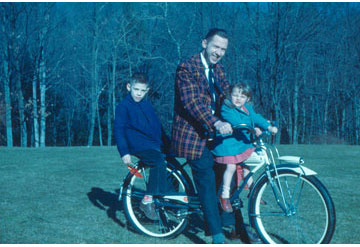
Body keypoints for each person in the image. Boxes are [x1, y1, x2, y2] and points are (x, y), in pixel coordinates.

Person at [171, 28, 233, 244]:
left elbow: (228, 97)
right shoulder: (187, 67)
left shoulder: (219, 69)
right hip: (192, 137)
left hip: (214, 135)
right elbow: (193, 103)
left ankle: (230, 226)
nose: (218, 52)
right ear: (204, 43)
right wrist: (216, 121)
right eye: (216, 46)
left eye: (223, 49)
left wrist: (248, 117)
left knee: (228, 171)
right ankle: (217, 235)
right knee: (206, 179)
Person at [212, 83, 278, 213]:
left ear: (247, 99)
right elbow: (235, 121)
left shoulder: (247, 108)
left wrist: (268, 127)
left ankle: (253, 192)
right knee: (230, 167)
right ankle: (224, 195)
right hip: (227, 144)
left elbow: (256, 117)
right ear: (230, 95)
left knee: (247, 166)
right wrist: (253, 128)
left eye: (242, 96)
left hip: (241, 144)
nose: (238, 99)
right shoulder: (227, 107)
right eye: (235, 95)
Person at [114, 72, 168, 221]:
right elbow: (118, 130)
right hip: (137, 144)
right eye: (136, 89)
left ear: (147, 90)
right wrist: (124, 152)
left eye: (142, 91)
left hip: (152, 143)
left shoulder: (146, 104)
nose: (139, 93)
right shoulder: (123, 106)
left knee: (170, 162)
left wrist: (167, 143)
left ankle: (168, 195)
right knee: (157, 161)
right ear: (128, 87)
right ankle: (147, 200)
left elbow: (157, 126)